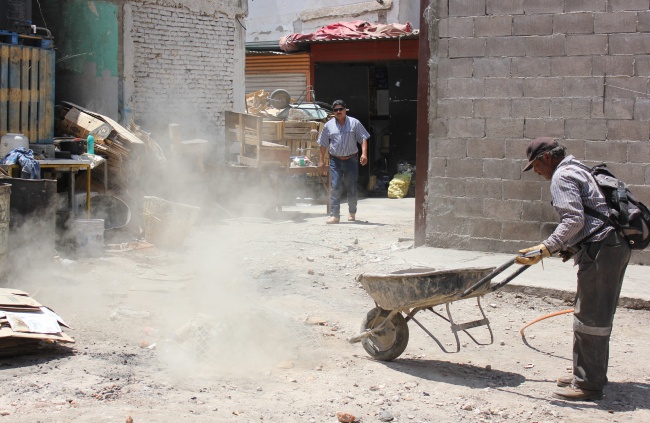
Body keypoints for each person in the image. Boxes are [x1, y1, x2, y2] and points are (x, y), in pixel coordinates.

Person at [516, 137, 631, 401]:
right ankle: (587, 374)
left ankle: (588, 384)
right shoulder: (578, 168)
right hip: (610, 246)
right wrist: (570, 247)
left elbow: (573, 219)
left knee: (591, 318)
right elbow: (592, 214)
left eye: (535, 165)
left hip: (602, 249)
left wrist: (546, 247)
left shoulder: (561, 176)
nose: (536, 171)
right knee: (593, 314)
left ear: (546, 158)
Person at [317, 100, 369, 224]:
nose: (338, 112)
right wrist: (321, 161)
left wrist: (364, 154)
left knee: (351, 187)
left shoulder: (354, 123)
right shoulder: (328, 125)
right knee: (335, 186)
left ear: (345, 110)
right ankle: (334, 215)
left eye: (341, 109)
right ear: (333, 112)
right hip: (335, 160)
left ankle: (352, 212)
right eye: (336, 110)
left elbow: (363, 138)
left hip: (351, 160)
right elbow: (323, 144)